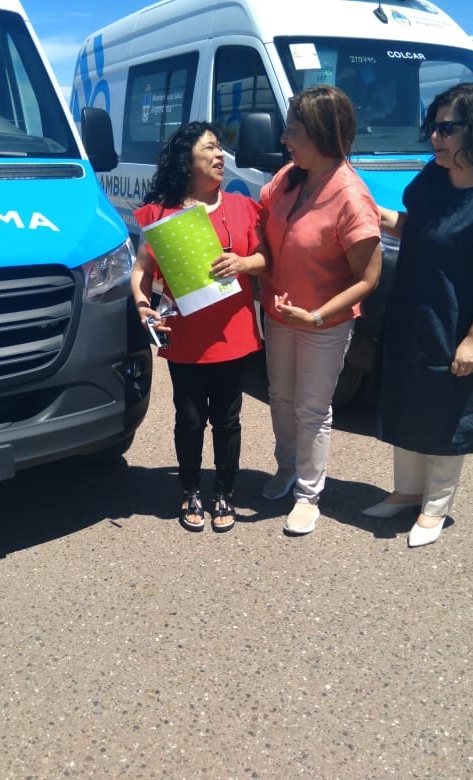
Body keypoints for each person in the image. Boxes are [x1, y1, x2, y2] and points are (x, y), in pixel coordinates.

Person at [366, 82, 473, 547]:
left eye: (447, 128)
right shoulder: (434, 177)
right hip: (416, 313)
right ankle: (406, 492)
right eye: (433, 127)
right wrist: (371, 212)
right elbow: (417, 228)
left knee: (447, 414)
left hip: (461, 321)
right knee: (408, 402)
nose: (435, 137)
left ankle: (434, 508)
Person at [257, 85, 383, 536]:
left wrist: (314, 316)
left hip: (321, 324)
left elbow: (368, 278)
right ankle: (287, 466)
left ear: (325, 134)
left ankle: (309, 495)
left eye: (293, 129)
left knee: (312, 409)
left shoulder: (351, 196)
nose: (285, 138)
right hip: (278, 313)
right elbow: (260, 224)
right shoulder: (289, 176)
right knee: (280, 397)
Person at [132, 122, 267, 533]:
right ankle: (189, 490)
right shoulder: (160, 213)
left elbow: (267, 258)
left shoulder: (245, 207)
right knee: (189, 419)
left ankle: (225, 492)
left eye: (220, 147)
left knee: (228, 419)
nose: (220, 155)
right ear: (186, 161)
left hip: (234, 333)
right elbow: (142, 270)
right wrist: (142, 305)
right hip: (185, 336)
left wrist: (244, 264)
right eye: (209, 148)